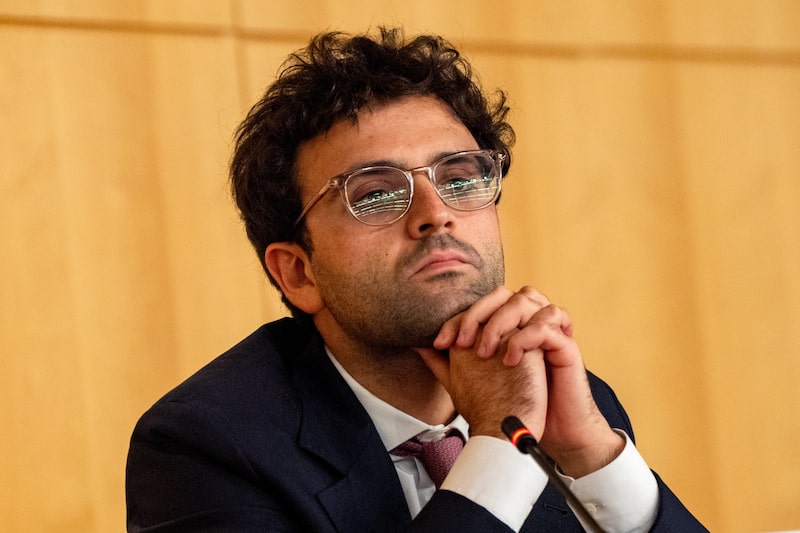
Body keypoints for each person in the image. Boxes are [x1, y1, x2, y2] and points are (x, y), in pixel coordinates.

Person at [126, 28, 706, 532]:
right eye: (376, 193)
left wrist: (592, 455)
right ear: (299, 272)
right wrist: (499, 448)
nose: (436, 212)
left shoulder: (561, 402)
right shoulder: (209, 446)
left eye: (459, 177)